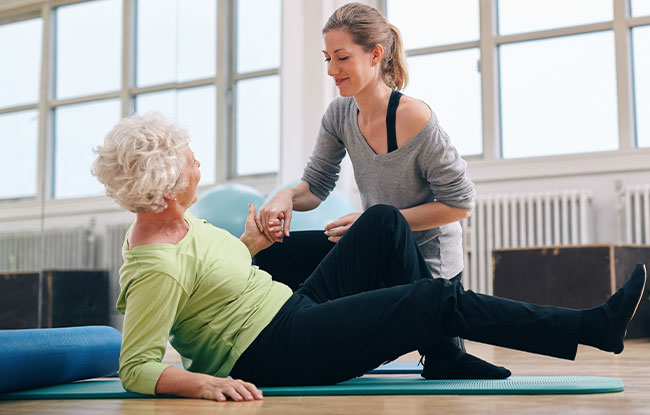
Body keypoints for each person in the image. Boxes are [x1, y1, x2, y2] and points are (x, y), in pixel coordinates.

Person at [92, 112, 646, 402]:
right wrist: (201, 383)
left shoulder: (181, 221)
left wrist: (250, 247)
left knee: (380, 222)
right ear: (165, 186)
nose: (198, 167)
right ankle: (591, 328)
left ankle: (442, 354)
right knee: (431, 296)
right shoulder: (155, 264)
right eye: (189, 163)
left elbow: (210, 279)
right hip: (272, 352)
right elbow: (136, 367)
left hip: (288, 310)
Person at [255, 2, 492, 379]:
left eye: (343, 58)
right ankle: (285, 338)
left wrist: (374, 223)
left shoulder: (414, 117)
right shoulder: (340, 114)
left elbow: (460, 204)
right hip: (373, 250)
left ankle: (441, 344)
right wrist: (283, 196)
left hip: (425, 265)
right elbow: (315, 187)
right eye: (327, 58)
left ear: (376, 54)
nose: (332, 70)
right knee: (269, 256)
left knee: (379, 224)